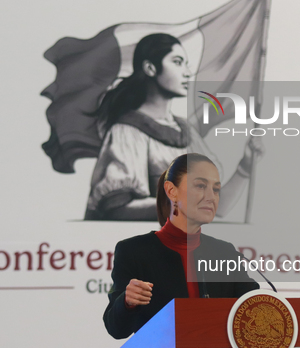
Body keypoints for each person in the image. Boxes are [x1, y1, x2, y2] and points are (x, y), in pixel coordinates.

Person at [84, 33, 263, 220]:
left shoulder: (187, 133)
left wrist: (245, 166)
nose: (187, 72)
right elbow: (117, 209)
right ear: (150, 68)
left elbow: (218, 208)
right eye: (177, 62)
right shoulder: (127, 132)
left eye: (186, 64)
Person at [103, 153, 259, 339]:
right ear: (171, 191)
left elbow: (253, 310)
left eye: (216, 189)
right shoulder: (134, 251)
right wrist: (127, 302)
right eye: (201, 186)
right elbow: (115, 329)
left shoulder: (224, 253)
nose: (211, 197)